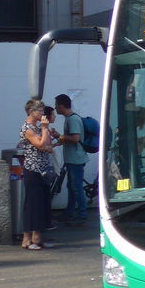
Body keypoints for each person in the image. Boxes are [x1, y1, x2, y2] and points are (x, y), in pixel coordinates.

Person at [19, 99, 54, 249]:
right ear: (31, 112)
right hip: (33, 170)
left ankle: (37, 237)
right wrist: (45, 129)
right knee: (33, 204)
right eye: (40, 111)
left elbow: (49, 146)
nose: (42, 114)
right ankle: (27, 239)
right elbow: (41, 145)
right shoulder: (28, 128)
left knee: (42, 204)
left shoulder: (38, 128)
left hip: (43, 169)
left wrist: (45, 135)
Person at [54, 94, 88, 224]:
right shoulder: (70, 118)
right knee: (72, 187)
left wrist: (60, 136)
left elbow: (75, 138)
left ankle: (82, 215)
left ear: (62, 106)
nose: (55, 108)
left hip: (76, 159)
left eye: (57, 105)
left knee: (76, 188)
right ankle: (69, 213)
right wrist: (60, 138)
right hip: (73, 159)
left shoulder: (72, 120)